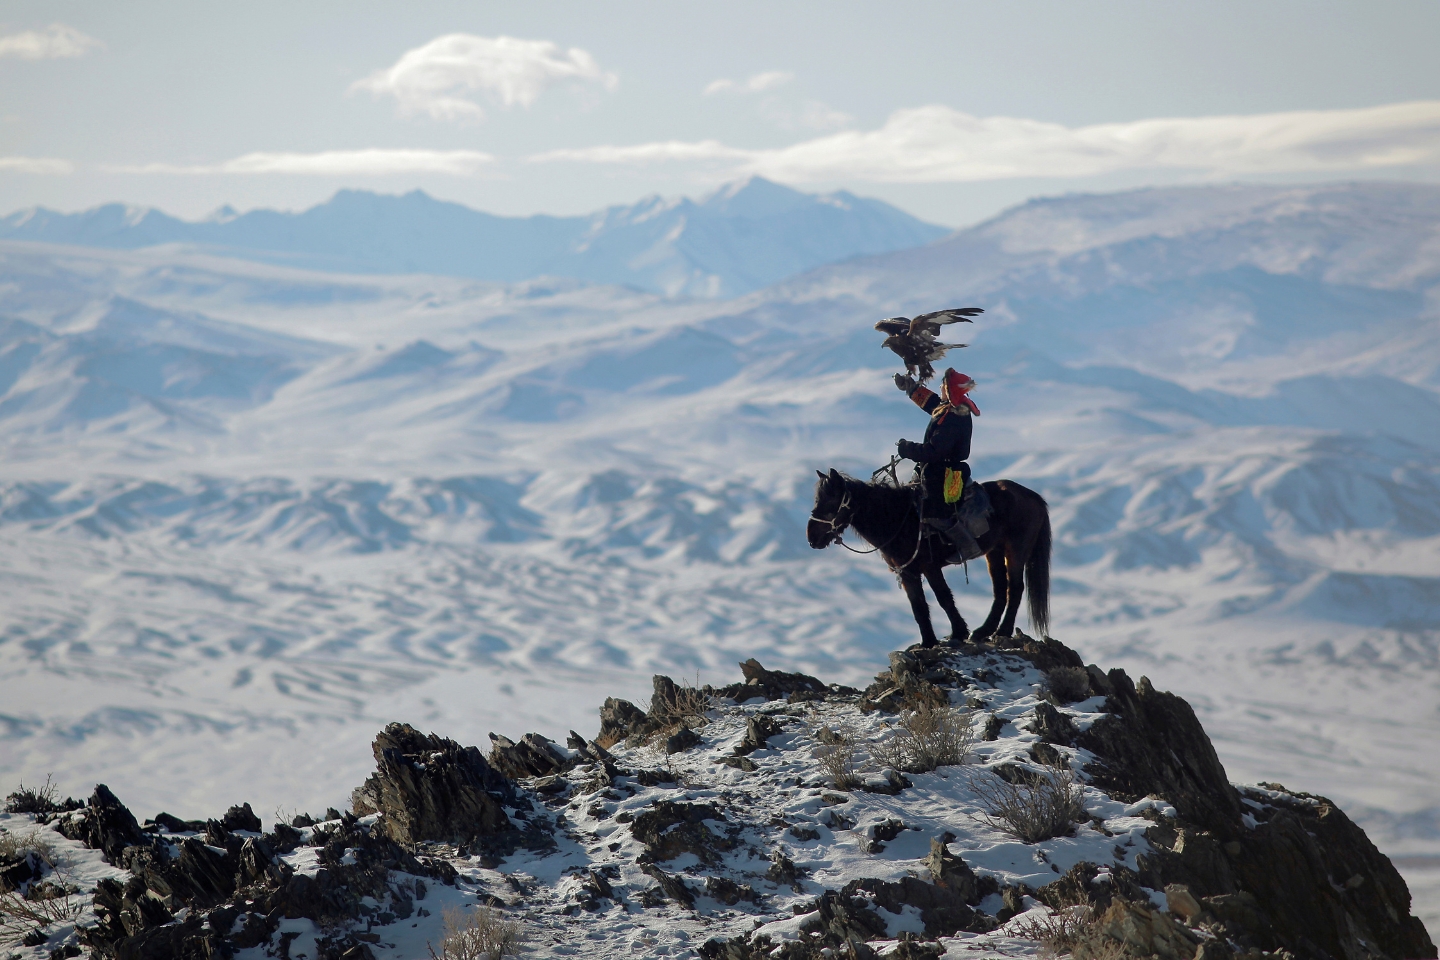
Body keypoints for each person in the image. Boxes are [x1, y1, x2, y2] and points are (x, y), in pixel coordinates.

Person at [894, 368, 984, 560]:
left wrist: (906, 448)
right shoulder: (950, 408)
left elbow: (933, 452)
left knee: (936, 513)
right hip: (936, 469)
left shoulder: (954, 418)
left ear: (950, 391)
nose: (941, 388)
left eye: (943, 386)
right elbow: (933, 403)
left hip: (945, 473)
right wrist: (911, 388)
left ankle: (968, 546)